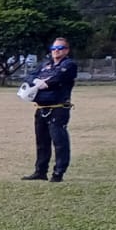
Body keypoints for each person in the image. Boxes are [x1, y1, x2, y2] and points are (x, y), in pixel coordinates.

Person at [21, 36, 78, 182]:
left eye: (59, 48)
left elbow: (58, 78)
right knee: (42, 142)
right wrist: (37, 81)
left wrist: (45, 83)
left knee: (59, 142)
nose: (56, 52)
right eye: (54, 48)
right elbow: (30, 76)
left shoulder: (69, 64)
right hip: (41, 108)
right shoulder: (46, 64)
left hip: (58, 108)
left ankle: (58, 173)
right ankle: (40, 171)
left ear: (66, 50)